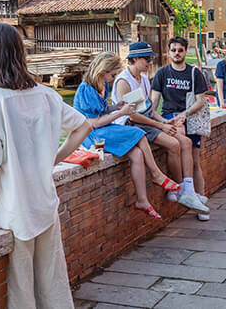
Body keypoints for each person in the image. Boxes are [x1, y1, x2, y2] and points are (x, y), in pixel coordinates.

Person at [0, 23, 92, 308]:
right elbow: (83, 127)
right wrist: (54, 158)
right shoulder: (45, 94)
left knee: (22, 292)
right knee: (53, 284)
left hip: (14, 211)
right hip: (45, 203)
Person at [73, 52, 181, 220]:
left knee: (137, 154)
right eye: (113, 74)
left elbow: (100, 111)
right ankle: (156, 174)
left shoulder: (102, 84)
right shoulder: (86, 89)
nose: (114, 77)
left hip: (102, 128)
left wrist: (115, 107)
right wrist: (121, 113)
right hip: (90, 133)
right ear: (103, 70)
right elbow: (93, 122)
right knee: (139, 133)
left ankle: (142, 200)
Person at [113, 41, 209, 215]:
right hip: (130, 124)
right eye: (147, 59)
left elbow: (149, 109)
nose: (150, 62)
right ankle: (179, 189)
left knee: (185, 142)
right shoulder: (123, 81)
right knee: (174, 144)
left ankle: (186, 189)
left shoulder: (143, 79)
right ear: (135, 59)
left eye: (150, 59)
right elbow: (132, 115)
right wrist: (160, 125)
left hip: (145, 121)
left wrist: (165, 122)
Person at [150, 36, 211, 220]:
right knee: (180, 146)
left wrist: (185, 113)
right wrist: (162, 121)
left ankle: (197, 199)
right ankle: (183, 189)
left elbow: (201, 100)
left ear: (186, 51)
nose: (177, 53)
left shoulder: (194, 73)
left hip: (190, 117)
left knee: (195, 160)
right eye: (173, 50)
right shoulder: (162, 73)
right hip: (169, 116)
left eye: (180, 50)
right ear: (169, 52)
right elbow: (152, 104)